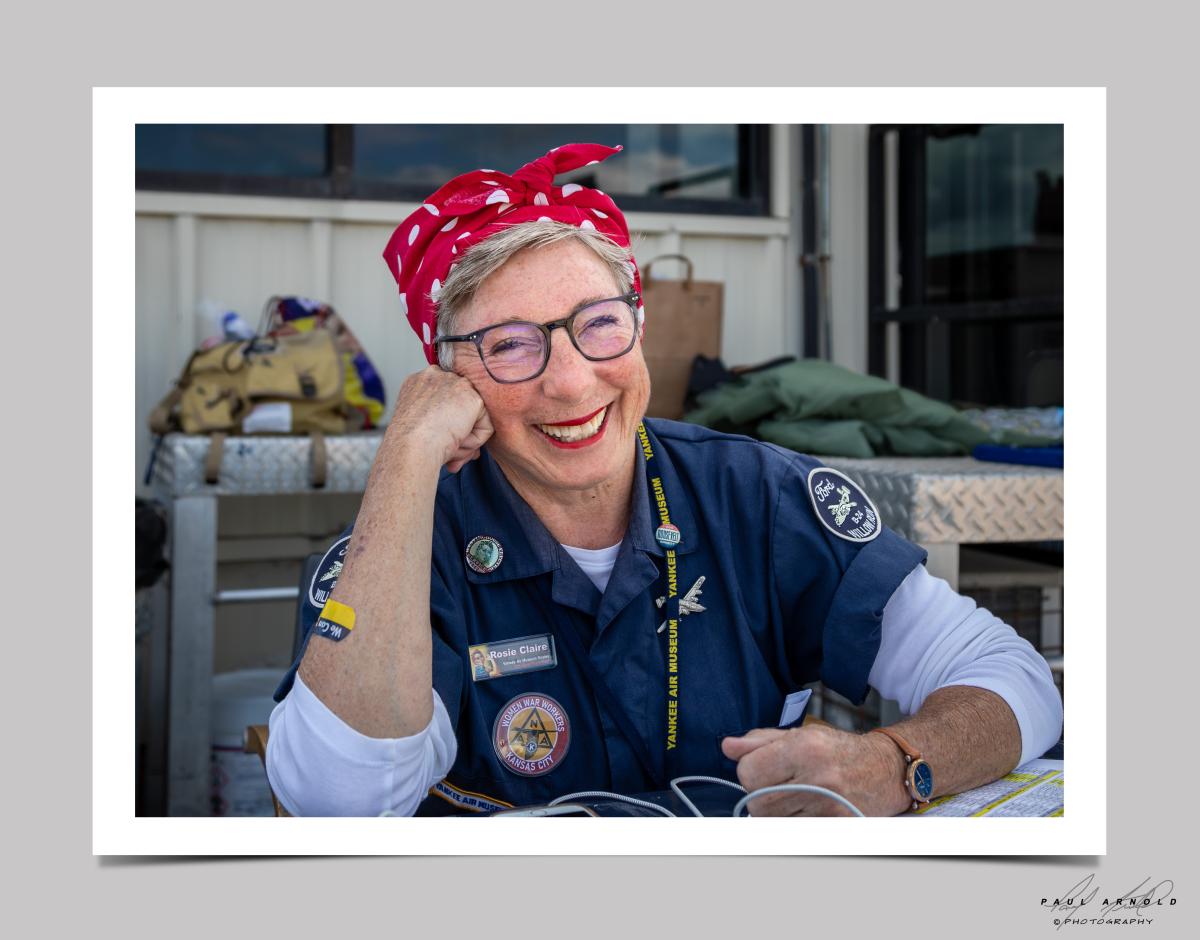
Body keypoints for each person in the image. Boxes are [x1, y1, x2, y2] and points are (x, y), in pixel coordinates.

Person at [265, 143, 1062, 817]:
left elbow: (1013, 678)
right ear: (447, 376)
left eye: (600, 324)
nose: (573, 384)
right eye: (509, 344)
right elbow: (339, 801)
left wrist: (897, 763)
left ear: (639, 327)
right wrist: (404, 454)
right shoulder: (401, 547)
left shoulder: (754, 495)